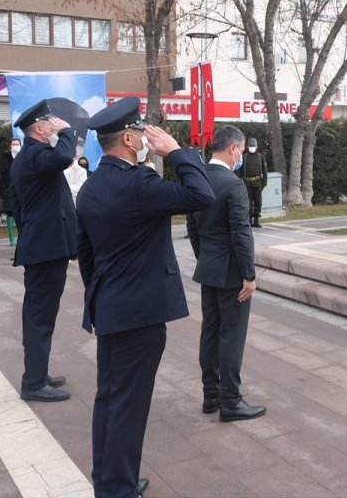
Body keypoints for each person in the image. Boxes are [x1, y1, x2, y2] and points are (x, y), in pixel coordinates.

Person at [76, 97, 214, 498]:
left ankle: (109, 477)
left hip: (111, 306)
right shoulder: (140, 184)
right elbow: (202, 196)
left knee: (110, 398)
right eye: (139, 133)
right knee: (129, 405)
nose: (144, 139)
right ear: (126, 138)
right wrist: (176, 152)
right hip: (139, 313)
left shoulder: (92, 186)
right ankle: (117, 488)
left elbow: (86, 256)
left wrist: (105, 295)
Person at [186, 125, 265, 422]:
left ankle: (212, 395)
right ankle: (231, 400)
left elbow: (193, 228)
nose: (241, 157)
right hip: (232, 274)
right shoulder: (233, 185)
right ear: (233, 148)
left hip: (209, 269)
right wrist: (249, 274)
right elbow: (241, 234)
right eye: (241, 152)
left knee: (210, 333)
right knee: (231, 336)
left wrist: (204, 257)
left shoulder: (197, 178)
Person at [11, 99, 77, 402]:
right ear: (39, 128)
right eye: (49, 121)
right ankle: (34, 383)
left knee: (41, 314)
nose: (54, 123)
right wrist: (68, 131)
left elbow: (18, 205)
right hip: (45, 248)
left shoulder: (31, 154)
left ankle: (38, 372)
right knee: (39, 316)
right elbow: (65, 157)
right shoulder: (37, 153)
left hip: (43, 245)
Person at [235, 137, 268, 228]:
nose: (252, 147)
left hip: (258, 183)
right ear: (247, 146)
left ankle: (256, 220)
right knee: (248, 203)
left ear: (257, 146)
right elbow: (240, 172)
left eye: (253, 146)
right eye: (250, 146)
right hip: (247, 183)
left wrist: (264, 183)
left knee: (258, 202)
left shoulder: (260, 156)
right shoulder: (244, 157)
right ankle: (249, 220)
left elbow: (264, 171)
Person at [0, 138, 22, 245]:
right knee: (11, 211)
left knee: (23, 211)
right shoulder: (5, 157)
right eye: (14, 144)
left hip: (23, 188)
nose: (16, 146)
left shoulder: (24, 156)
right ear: (10, 145)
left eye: (17, 144)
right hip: (10, 187)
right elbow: (3, 171)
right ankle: (12, 239)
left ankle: (23, 236)